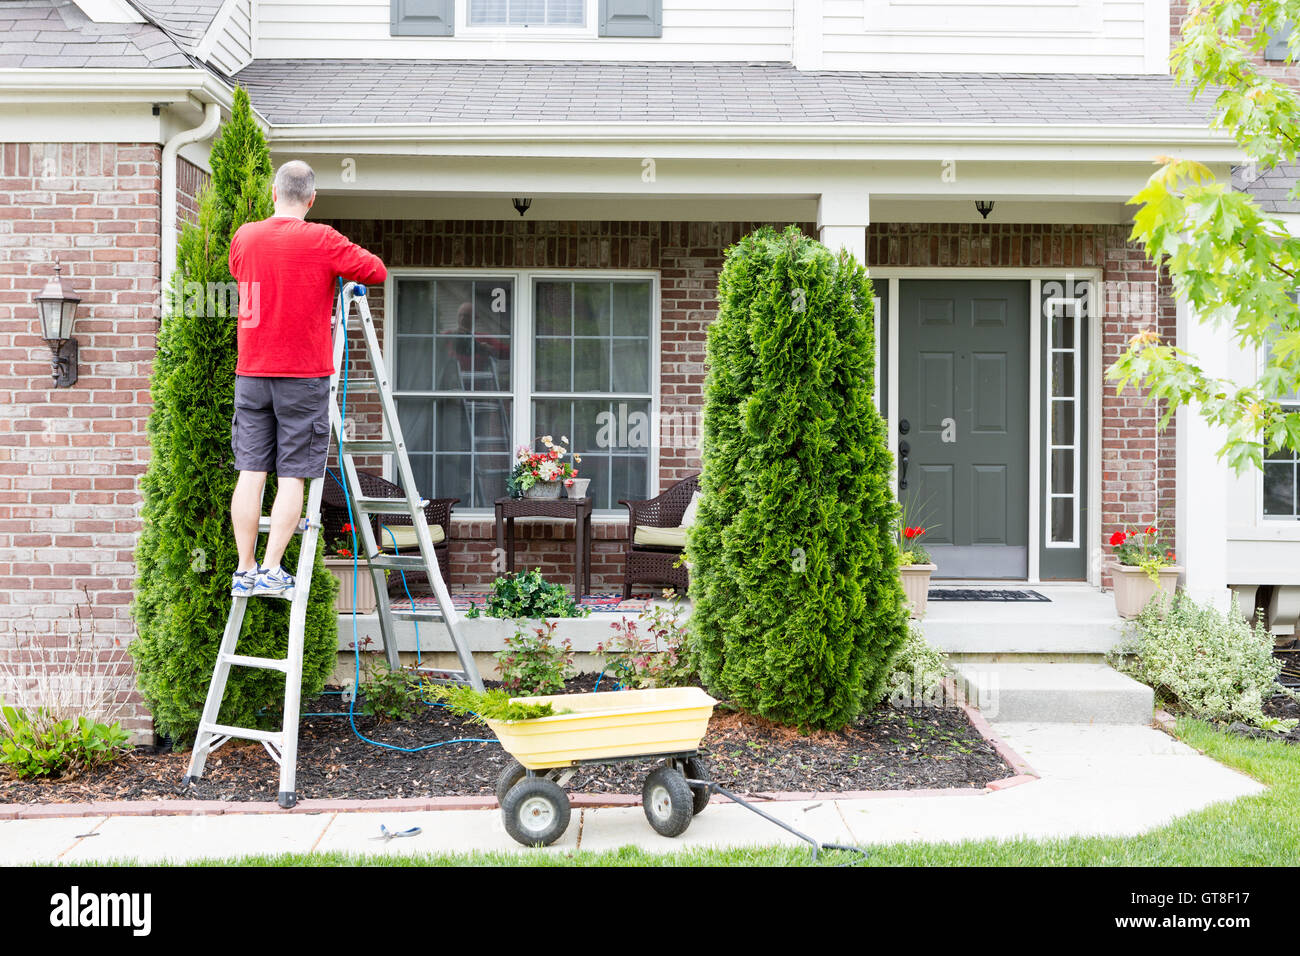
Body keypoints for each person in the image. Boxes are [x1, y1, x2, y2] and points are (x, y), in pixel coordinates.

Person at [227, 160, 387, 599]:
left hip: (252, 373)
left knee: (250, 471)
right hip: (302, 377)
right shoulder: (323, 239)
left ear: (273, 194)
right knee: (293, 474)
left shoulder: (246, 236)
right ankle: (273, 569)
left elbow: (242, 273)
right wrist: (330, 272)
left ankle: (244, 568)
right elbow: (376, 271)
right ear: (312, 199)